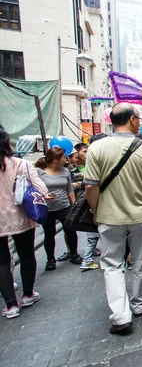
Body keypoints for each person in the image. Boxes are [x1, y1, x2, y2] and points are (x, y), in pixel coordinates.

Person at [84, 103, 142, 335]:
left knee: (112, 266)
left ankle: (120, 316)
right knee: (140, 261)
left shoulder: (97, 148)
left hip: (109, 217)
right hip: (140, 215)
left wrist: (96, 210)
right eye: (139, 119)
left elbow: (90, 186)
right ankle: (140, 303)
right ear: (133, 120)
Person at [0, 128, 49, 319]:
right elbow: (41, 188)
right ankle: (28, 294)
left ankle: (11, 305)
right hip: (20, 216)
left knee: (2, 262)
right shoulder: (21, 164)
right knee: (27, 254)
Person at [35, 147, 81, 270]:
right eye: (63, 158)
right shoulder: (39, 172)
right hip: (47, 209)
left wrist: (75, 205)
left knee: (70, 230)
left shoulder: (65, 171)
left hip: (64, 207)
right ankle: (50, 259)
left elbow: (69, 190)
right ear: (55, 160)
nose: (66, 160)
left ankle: (74, 253)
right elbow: (35, 189)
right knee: (49, 234)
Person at [79, 134, 108, 271]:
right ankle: (93, 259)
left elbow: (89, 186)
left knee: (94, 235)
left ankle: (100, 260)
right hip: (105, 206)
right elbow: (89, 186)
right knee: (99, 236)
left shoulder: (94, 158)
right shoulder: (109, 157)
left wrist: (94, 210)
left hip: (96, 205)